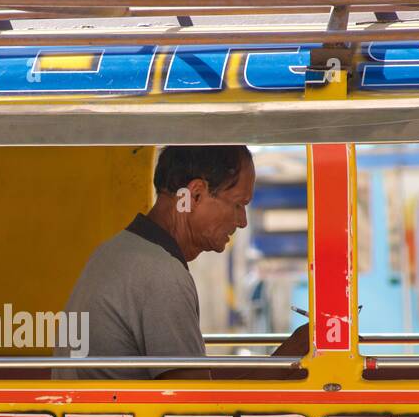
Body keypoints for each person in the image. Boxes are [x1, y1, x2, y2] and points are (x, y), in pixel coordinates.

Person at [62, 145, 306, 379]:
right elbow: (196, 410)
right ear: (196, 194)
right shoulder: (160, 274)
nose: (242, 221)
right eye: (238, 204)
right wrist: (292, 354)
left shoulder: (115, 252)